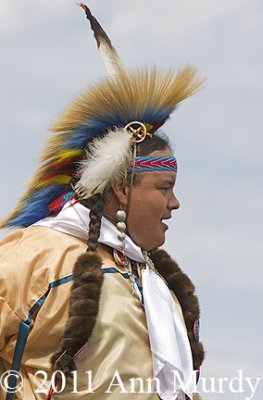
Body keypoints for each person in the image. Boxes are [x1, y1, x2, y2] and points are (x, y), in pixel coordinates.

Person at [0, 4, 205, 400]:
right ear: (121, 188)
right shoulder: (39, 257)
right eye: (164, 188)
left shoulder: (153, 281)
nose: (175, 203)